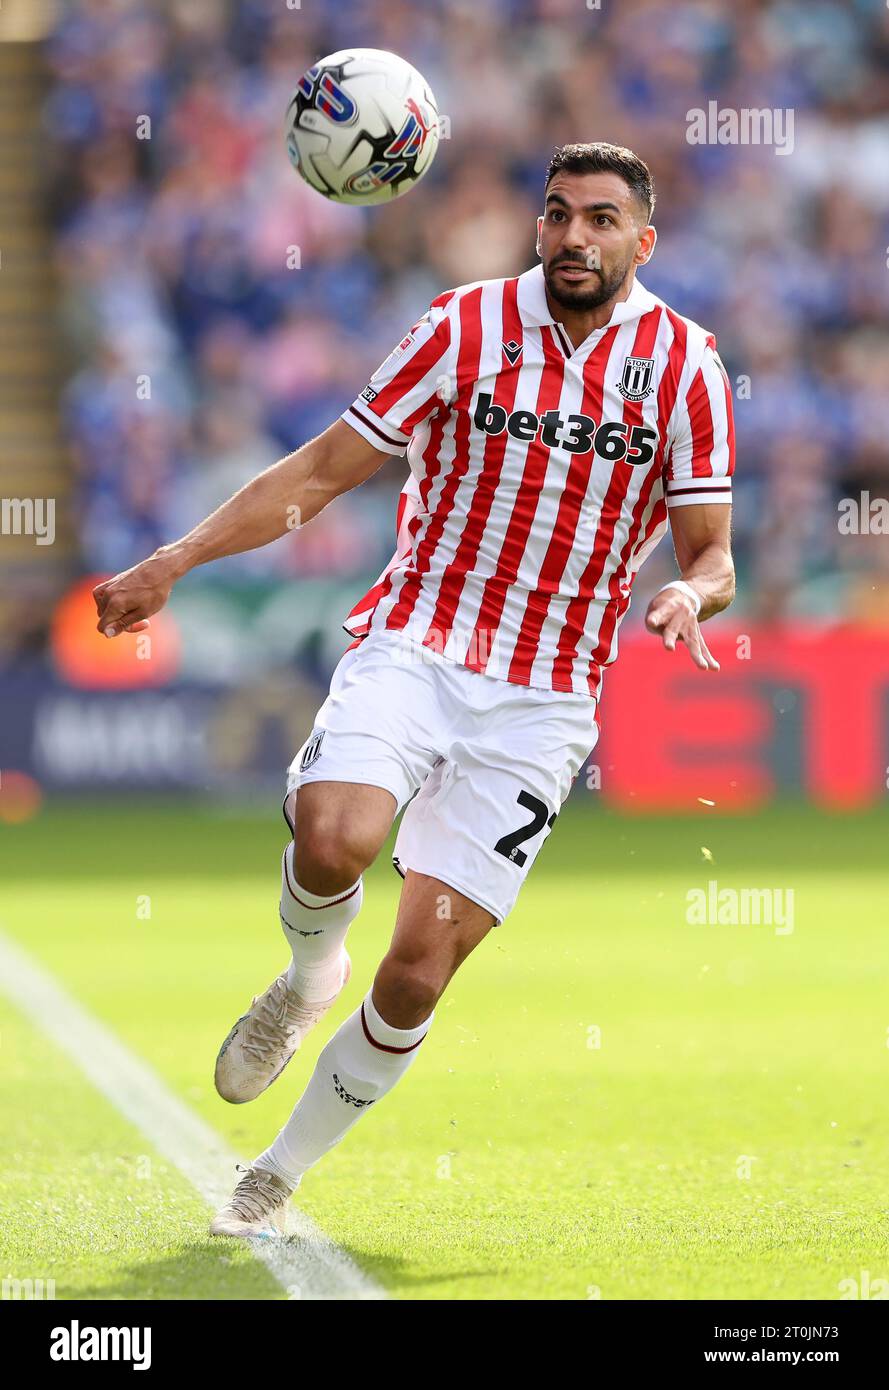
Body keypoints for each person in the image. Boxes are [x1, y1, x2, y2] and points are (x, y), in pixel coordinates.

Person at [93, 143, 735, 1236]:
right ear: (538, 227)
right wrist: (175, 559)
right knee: (334, 836)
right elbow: (318, 472)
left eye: (600, 219)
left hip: (542, 700)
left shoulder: (687, 366)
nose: (575, 236)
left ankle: (278, 1171)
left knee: (419, 972)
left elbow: (713, 551)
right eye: (557, 214)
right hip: (420, 641)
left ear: (643, 239)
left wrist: (692, 593)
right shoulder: (462, 327)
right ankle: (303, 977)